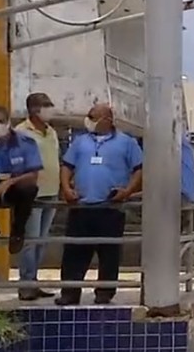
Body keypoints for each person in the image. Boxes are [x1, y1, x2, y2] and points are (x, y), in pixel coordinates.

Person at [56, 103, 143, 306]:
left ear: (107, 119)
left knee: (109, 252)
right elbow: (67, 166)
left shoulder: (127, 142)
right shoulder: (80, 142)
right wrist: (67, 189)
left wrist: (128, 191)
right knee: (74, 252)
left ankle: (104, 292)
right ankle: (70, 293)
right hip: (81, 206)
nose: (89, 120)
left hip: (110, 207)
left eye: (93, 117)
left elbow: (139, 170)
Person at [14, 93, 61, 300]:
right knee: (30, 240)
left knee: (42, 240)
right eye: (46, 105)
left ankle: (34, 281)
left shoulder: (51, 132)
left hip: (51, 192)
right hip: (30, 195)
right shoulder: (21, 132)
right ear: (34, 109)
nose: (50, 109)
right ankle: (26, 284)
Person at [0, 105, 42, 255]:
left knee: (30, 190)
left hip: (15, 187)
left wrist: (9, 182)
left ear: (8, 121)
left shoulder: (25, 142)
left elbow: (33, 174)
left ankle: (18, 232)